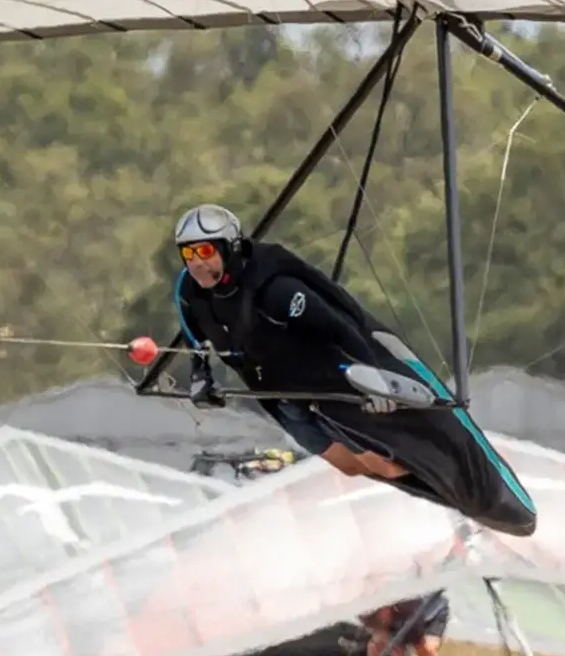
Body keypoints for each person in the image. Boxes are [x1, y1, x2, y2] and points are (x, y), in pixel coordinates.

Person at [168, 203, 538, 537]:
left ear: (230, 247)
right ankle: (455, 497)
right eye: (189, 253)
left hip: (335, 378)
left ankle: (477, 495)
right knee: (352, 466)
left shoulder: (277, 291)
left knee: (386, 462)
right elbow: (193, 333)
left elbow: (340, 328)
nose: (197, 263)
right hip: (284, 397)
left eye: (205, 251)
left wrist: (374, 378)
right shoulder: (191, 292)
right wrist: (201, 376)